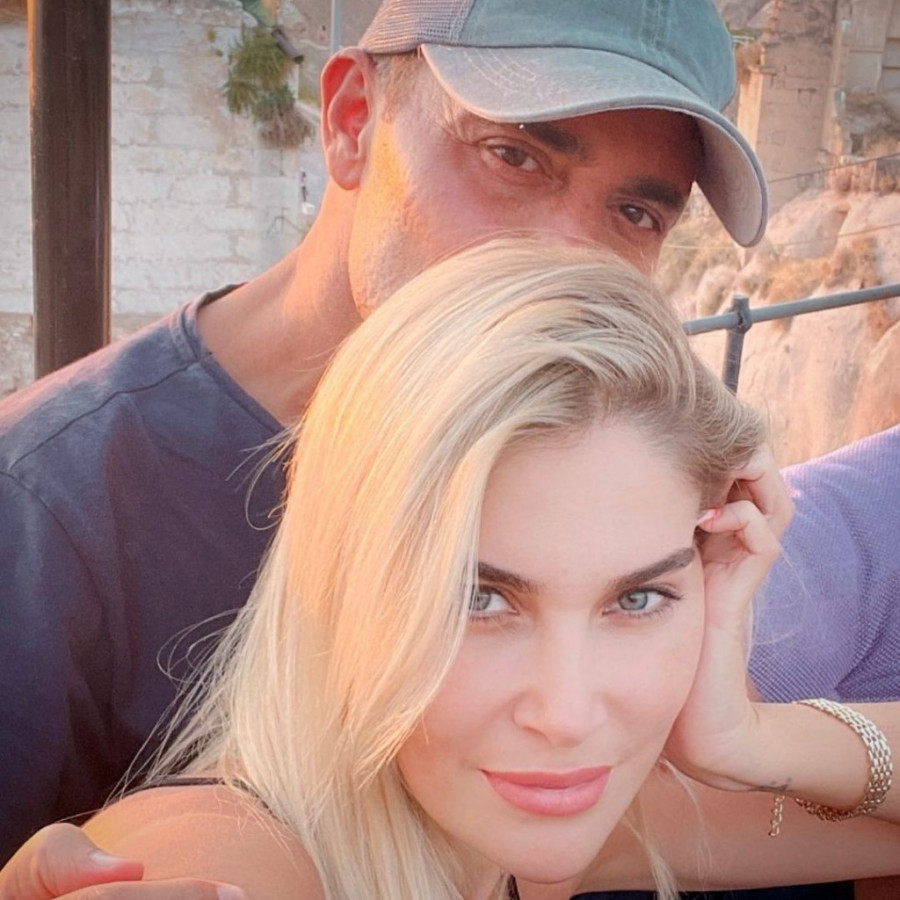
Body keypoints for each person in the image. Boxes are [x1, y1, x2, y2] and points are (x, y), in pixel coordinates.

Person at [0, 0, 896, 893]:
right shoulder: (44, 498)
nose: (561, 255)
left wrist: (753, 738)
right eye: (513, 157)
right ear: (352, 119)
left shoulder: (600, 463)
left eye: (634, 212)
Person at [69, 241, 900, 898]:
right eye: (477, 598)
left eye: (640, 597)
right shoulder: (232, 849)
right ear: (339, 582)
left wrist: (747, 738)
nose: (566, 715)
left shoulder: (529, 821)